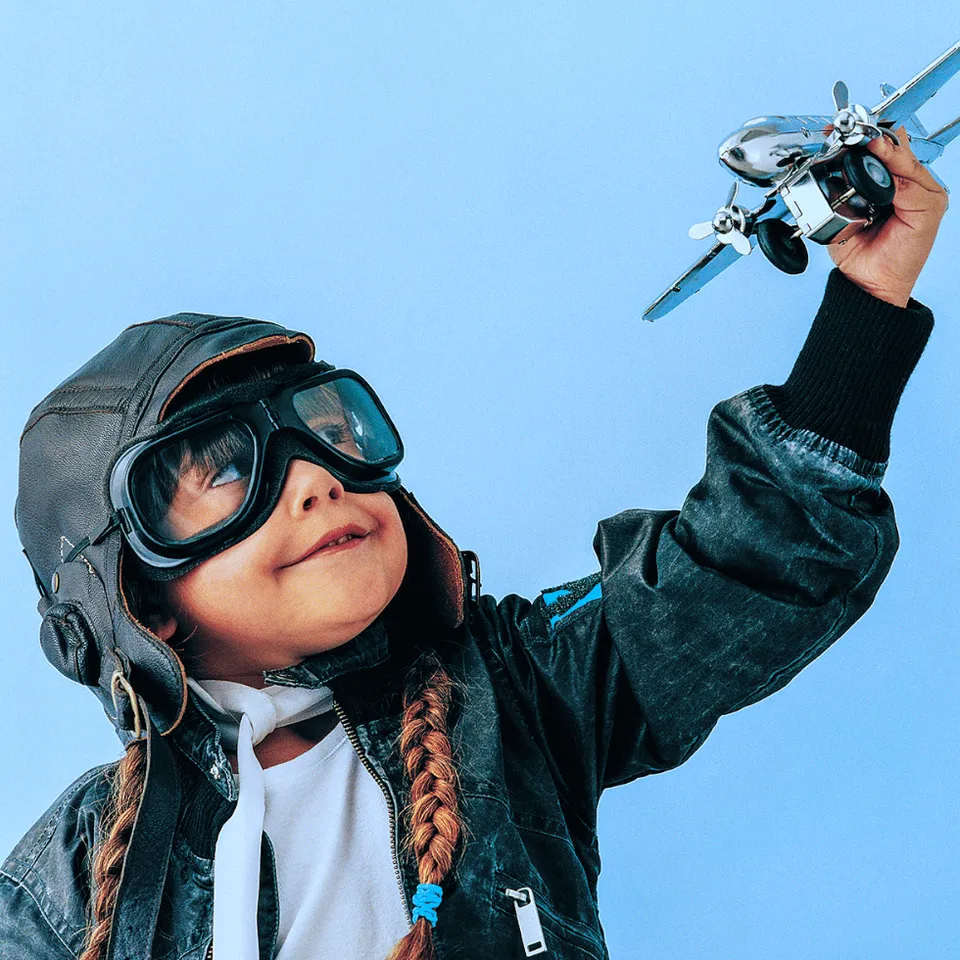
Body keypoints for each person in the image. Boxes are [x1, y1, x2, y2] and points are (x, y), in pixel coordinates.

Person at [0, 128, 946, 960]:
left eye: (331, 432)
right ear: (137, 599)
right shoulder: (74, 873)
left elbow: (743, 569)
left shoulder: (513, 689)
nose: (317, 479)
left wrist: (867, 304)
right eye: (225, 474)